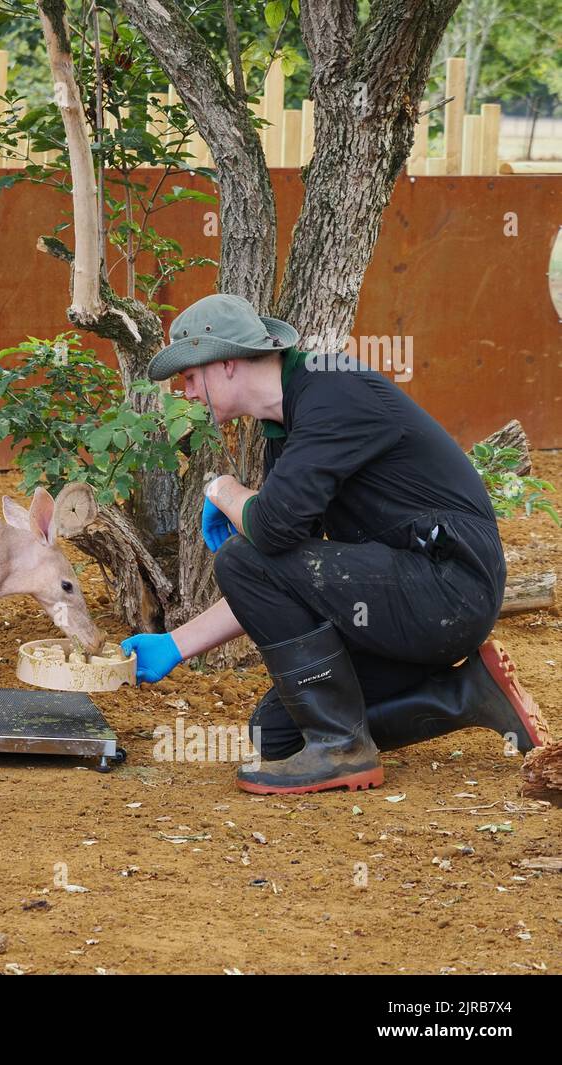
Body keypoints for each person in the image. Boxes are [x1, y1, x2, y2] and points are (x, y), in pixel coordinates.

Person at [121, 293, 551, 795]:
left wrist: (223, 490)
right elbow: (283, 565)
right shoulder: (284, 427)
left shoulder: (331, 390)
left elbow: (269, 533)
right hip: (405, 605)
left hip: (448, 589)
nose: (185, 391)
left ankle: (341, 749)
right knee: (276, 735)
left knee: (244, 554)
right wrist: (176, 645)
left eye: (190, 376)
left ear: (227, 363)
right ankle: (467, 695)